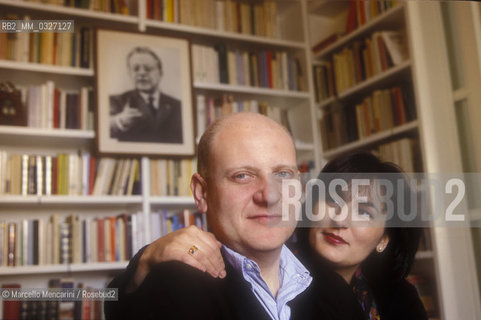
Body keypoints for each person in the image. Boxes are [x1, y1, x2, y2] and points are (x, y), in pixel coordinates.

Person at [105, 113, 344, 320]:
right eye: (242, 176)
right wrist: (145, 261)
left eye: (283, 173)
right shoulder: (172, 286)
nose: (270, 195)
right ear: (202, 192)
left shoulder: (334, 288)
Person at [138, 151, 428, 320]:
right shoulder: (268, 276)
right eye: (333, 200)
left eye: (364, 211)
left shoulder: (399, 297)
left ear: (384, 239)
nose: (340, 218)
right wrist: (145, 262)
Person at [109, 46, 183, 143]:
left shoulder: (178, 106)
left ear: (160, 73)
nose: (142, 73)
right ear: (129, 73)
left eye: (148, 69)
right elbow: (104, 125)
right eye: (136, 69)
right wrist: (120, 121)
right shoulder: (117, 101)